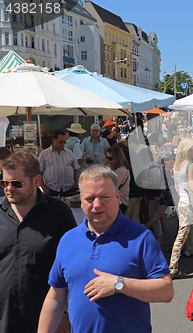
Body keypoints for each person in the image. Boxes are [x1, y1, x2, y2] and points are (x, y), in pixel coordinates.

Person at [38, 165, 174, 333]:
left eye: (104, 197)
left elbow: (166, 291)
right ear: (81, 200)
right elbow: (56, 297)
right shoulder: (68, 240)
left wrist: (119, 284)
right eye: (90, 198)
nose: (97, 204)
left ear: (118, 197)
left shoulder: (141, 237)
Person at [0, 152, 76, 333]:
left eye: (16, 183)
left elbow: (74, 264)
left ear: (36, 181)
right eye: (4, 183)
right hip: (3, 316)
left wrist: (65, 312)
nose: (9, 188)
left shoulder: (58, 212)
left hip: (46, 317)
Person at [167, 139, 193, 279]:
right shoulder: (190, 166)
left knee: (181, 236)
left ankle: (172, 268)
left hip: (183, 203)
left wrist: (183, 196)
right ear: (188, 150)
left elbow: (177, 187)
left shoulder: (176, 166)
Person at [39, 130, 80, 197]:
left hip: (68, 188)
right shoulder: (44, 154)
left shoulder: (69, 153)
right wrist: (44, 188)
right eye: (61, 142)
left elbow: (76, 169)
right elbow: (39, 172)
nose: (63, 144)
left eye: (64, 142)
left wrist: (76, 182)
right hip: (52, 189)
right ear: (54, 140)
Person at [104, 145, 130, 213]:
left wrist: (105, 169)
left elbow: (109, 186)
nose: (108, 160)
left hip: (120, 202)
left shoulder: (121, 170)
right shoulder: (115, 168)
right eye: (107, 157)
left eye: (111, 158)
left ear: (118, 158)